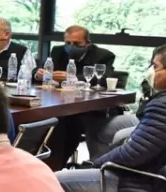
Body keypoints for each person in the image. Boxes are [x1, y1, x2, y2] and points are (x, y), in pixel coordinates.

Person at [56, 45, 166, 192]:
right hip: (154, 178)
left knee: (56, 182)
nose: (151, 71)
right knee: (115, 134)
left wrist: (96, 165)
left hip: (150, 186)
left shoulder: (162, 106)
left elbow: (135, 153)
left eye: (155, 67)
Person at [34, 25, 134, 160]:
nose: (71, 46)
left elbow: (103, 78)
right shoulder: (58, 51)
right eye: (68, 43)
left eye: (77, 43)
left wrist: (72, 78)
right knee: (49, 119)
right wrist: (39, 74)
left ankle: (56, 162)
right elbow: (38, 69)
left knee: (65, 122)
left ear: (88, 43)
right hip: (58, 102)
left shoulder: (103, 55)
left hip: (89, 110)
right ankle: (44, 160)